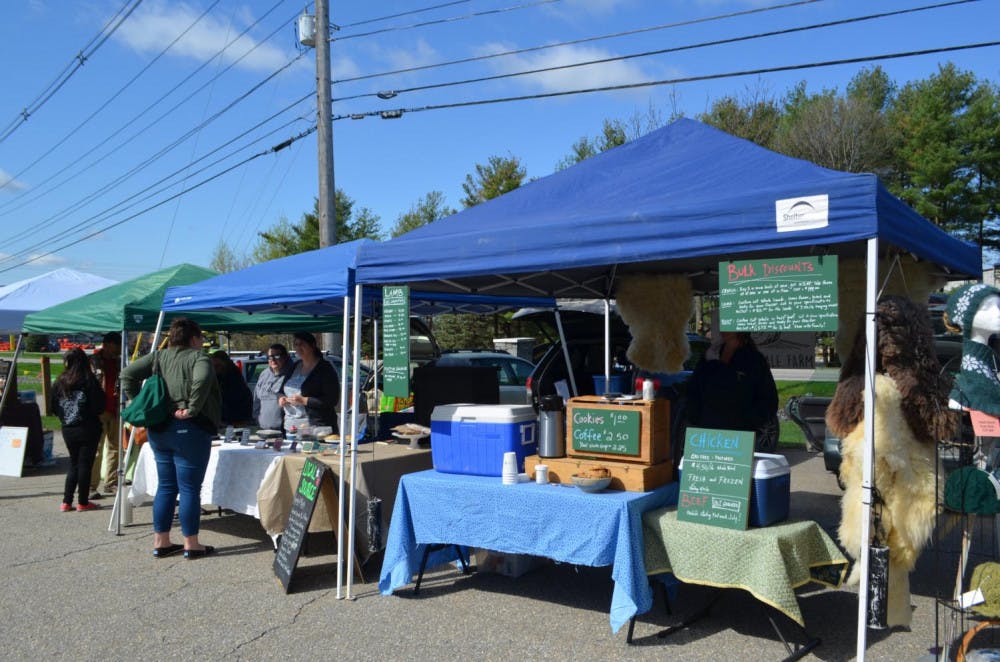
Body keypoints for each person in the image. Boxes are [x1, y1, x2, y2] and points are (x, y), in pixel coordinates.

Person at [120, 318, 221, 560]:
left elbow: (126, 374)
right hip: (188, 429)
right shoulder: (199, 358)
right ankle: (191, 543)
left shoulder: (158, 357)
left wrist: (139, 402)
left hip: (159, 428)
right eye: (201, 339)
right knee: (189, 488)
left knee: (166, 487)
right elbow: (203, 378)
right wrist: (193, 408)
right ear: (194, 338)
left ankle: (161, 541)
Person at [685, 331, 778, 443]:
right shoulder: (709, 357)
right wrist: (695, 418)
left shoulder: (753, 360)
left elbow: (769, 399)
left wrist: (750, 422)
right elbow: (693, 390)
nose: (724, 330)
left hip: (740, 437)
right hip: (707, 435)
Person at [51, 348, 106, 512]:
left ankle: (66, 501)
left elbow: (53, 405)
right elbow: (99, 405)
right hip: (88, 427)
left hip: (68, 427)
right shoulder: (89, 380)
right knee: (85, 465)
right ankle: (83, 501)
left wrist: (64, 417)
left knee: (74, 463)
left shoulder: (60, 381)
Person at [945, 283, 1000, 415]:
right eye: (987, 308)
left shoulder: (993, 363)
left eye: (999, 306)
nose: (998, 313)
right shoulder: (966, 390)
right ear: (964, 317)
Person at [279, 332, 340, 434]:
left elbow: (332, 400)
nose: (298, 347)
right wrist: (281, 398)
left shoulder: (325, 368)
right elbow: (282, 390)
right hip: (291, 427)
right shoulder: (295, 366)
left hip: (317, 428)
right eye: (296, 344)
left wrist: (304, 400)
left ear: (312, 346)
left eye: (302, 344)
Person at [89, 332, 121, 499]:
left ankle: (111, 482)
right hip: (98, 411)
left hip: (116, 408)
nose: (120, 350)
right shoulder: (93, 361)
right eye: (117, 346)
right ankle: (91, 486)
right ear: (108, 344)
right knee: (96, 449)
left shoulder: (119, 362)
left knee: (115, 448)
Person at [253, 343, 293, 430]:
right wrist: (256, 419)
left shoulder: (292, 374)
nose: (273, 360)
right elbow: (256, 400)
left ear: (286, 357)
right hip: (263, 429)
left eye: (277, 356)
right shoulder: (264, 374)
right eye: (270, 357)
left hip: (284, 430)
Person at [210, 350, 252, 425]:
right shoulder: (219, 376)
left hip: (236, 418)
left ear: (224, 364)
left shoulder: (233, 377)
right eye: (213, 366)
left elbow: (230, 399)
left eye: (217, 366)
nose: (215, 369)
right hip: (228, 417)